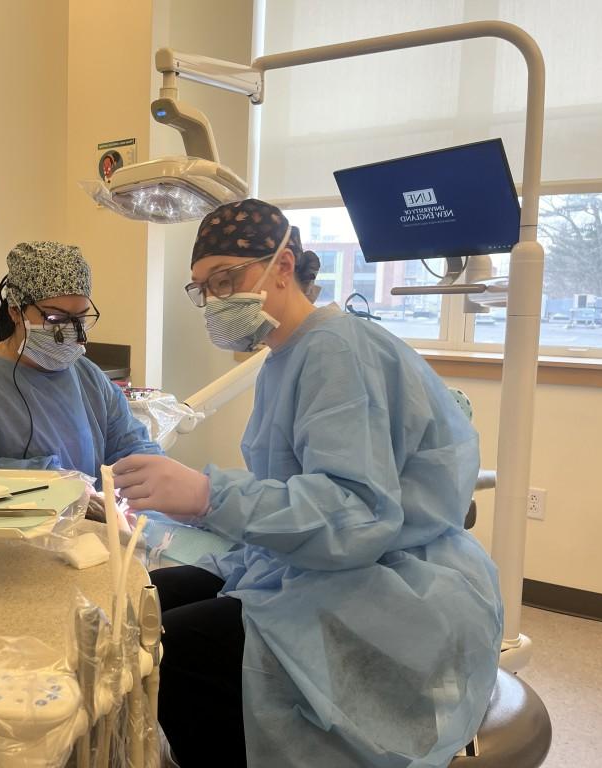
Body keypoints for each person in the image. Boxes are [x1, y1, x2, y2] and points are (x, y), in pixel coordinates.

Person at [112, 199, 503, 768]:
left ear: (282, 265)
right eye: (203, 288)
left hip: (393, 583)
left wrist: (207, 495)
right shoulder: (283, 357)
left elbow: (357, 513)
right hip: (327, 562)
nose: (216, 299)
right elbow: (301, 482)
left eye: (227, 279)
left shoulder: (334, 349)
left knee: (175, 647)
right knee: (146, 604)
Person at [0, 240, 162, 485]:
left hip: (88, 521)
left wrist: (158, 474)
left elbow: (132, 446)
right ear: (15, 311)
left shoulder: (90, 378)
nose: (71, 331)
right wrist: (48, 478)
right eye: (55, 317)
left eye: (80, 317)